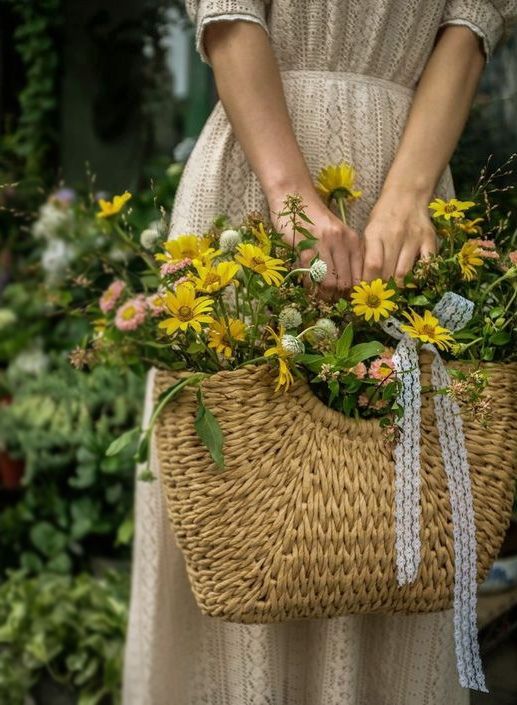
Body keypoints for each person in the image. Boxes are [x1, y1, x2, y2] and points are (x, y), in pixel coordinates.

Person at [122, 2, 517, 704]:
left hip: (408, 202)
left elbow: (471, 25)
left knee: (400, 511)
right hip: (260, 175)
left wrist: (408, 192)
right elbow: (228, 15)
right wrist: (290, 198)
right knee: (241, 505)